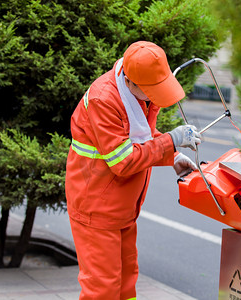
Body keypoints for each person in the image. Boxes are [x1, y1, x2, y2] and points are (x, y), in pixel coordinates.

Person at [65, 41, 202, 300]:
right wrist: (171, 141)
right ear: (130, 81)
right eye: (151, 92)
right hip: (97, 208)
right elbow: (123, 161)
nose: (154, 98)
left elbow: (141, 138)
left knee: (126, 283)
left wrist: (173, 156)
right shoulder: (103, 99)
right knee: (102, 289)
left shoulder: (134, 92)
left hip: (120, 207)